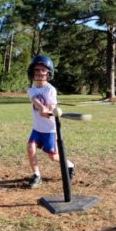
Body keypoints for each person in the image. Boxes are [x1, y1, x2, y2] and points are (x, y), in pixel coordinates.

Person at [26, 55, 75, 188]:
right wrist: (42, 108)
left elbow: (52, 107)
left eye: (43, 70)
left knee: (53, 157)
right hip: (37, 128)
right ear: (32, 72)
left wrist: (51, 112)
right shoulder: (31, 90)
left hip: (50, 130)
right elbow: (35, 100)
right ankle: (36, 175)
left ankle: (70, 165)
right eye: (37, 70)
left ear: (48, 73)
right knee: (30, 148)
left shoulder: (50, 89)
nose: (40, 73)